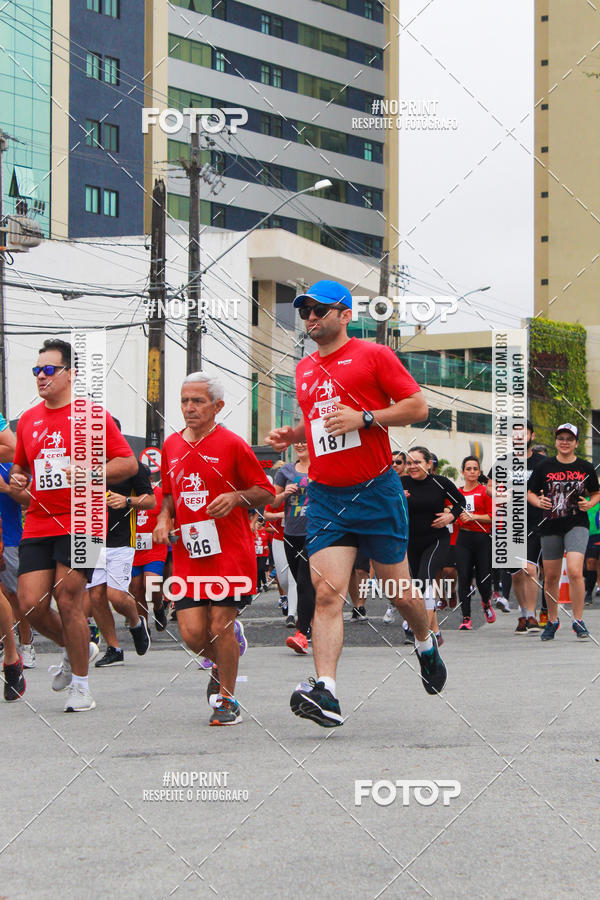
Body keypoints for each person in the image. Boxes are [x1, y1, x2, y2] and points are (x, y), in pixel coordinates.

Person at [266, 279, 447, 728]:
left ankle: (424, 641)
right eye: (305, 311)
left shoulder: (374, 355)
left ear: (345, 315)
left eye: (320, 310)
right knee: (328, 592)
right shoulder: (304, 369)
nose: (310, 318)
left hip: (376, 491)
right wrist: (294, 434)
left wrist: (365, 418)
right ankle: (326, 690)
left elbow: (417, 407)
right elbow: (317, 422)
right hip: (327, 496)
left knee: (399, 593)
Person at [11, 339, 137, 712]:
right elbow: (20, 466)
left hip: (84, 518)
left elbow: (128, 463)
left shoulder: (92, 415)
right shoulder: (28, 420)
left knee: (68, 597)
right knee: (29, 604)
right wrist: (18, 477)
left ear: (71, 374)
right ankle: (75, 646)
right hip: (39, 521)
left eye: (49, 370)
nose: (41, 376)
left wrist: (91, 472)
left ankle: (81, 687)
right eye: (37, 370)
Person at [153, 372, 274, 725]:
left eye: (198, 401)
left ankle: (227, 699)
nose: (189, 408)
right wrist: (163, 519)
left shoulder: (233, 444)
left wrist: (236, 498)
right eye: (184, 401)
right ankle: (226, 658)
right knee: (192, 633)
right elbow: (169, 494)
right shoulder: (172, 445)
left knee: (220, 624)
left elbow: (265, 491)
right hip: (190, 553)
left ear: (218, 406)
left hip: (229, 551)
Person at [527, 423, 600, 640]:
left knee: (576, 571)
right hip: (550, 524)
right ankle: (552, 620)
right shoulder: (544, 466)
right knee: (551, 576)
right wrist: (538, 501)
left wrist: (590, 503)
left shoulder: (585, 467)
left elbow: (596, 493)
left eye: (569, 439)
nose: (565, 442)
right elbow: (530, 492)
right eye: (561, 438)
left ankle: (578, 620)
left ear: (576, 443)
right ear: (556, 441)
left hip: (577, 523)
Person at [88, 450, 155, 668]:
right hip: (89, 538)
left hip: (122, 539)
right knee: (96, 596)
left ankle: (136, 622)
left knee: (116, 596)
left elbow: (151, 501)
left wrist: (127, 501)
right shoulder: (83, 463)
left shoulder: (132, 465)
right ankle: (114, 648)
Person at [401, 447, 465, 645]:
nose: (412, 466)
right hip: (412, 541)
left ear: (429, 464)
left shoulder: (441, 482)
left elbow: (460, 502)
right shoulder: (401, 483)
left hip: (436, 540)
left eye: (417, 462)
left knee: (424, 580)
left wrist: (450, 516)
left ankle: (418, 630)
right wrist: (398, 498)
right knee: (421, 583)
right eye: (409, 463)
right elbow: (383, 504)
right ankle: (435, 632)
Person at [272, 441, 315, 652]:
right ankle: (313, 623)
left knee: (305, 581)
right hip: (291, 533)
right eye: (296, 442)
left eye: (304, 441)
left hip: (315, 533)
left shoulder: (322, 468)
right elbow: (271, 502)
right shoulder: (286, 471)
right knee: (301, 583)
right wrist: (284, 494)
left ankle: (302, 633)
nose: (299, 445)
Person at [455, 456, 493, 630]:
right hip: (463, 538)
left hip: (482, 538)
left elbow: (492, 516)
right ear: (462, 472)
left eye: (475, 469)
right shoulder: (457, 492)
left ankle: (486, 601)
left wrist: (474, 517)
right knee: (463, 577)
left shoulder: (485, 491)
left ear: (479, 472)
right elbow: (450, 510)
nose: (471, 472)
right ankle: (466, 617)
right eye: (468, 469)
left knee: (483, 579)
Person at [129, 469, 169, 631]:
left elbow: (169, 514)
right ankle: (144, 629)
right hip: (133, 549)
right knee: (136, 590)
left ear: (150, 479)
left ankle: (158, 606)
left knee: (151, 582)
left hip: (154, 548)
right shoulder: (128, 495)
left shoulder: (159, 494)